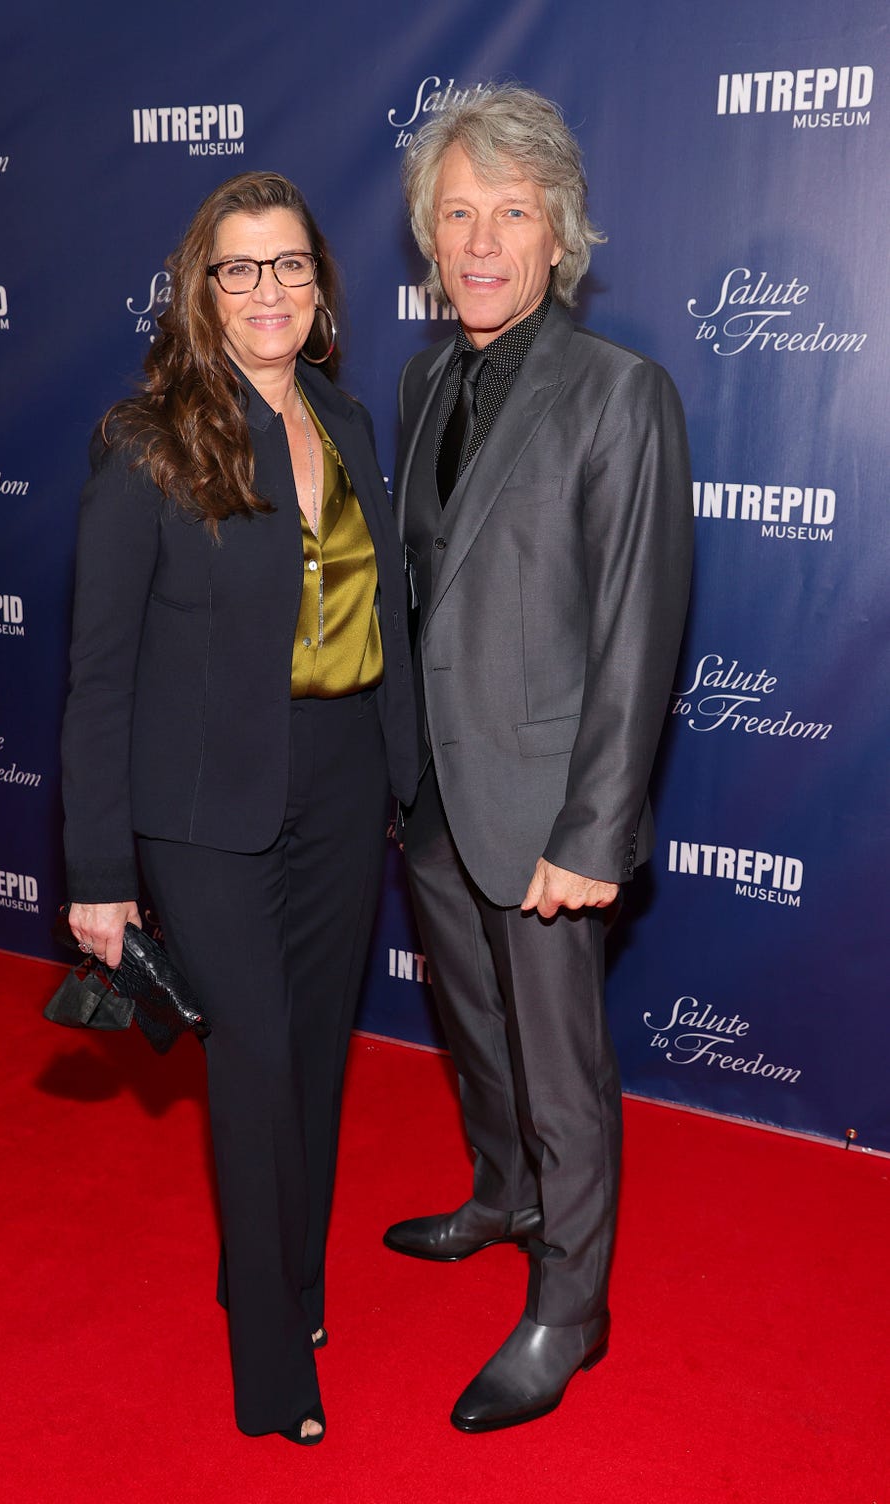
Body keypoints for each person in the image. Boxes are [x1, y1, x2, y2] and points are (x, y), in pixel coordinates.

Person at [61, 172, 418, 1445]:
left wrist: (405, 771)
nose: (267, 290)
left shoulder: (348, 420)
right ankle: (271, 1366)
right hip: (202, 809)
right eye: (239, 268)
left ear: (320, 287)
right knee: (254, 1065)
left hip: (338, 782)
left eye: (288, 266)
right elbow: (99, 671)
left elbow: (385, 617)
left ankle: (290, 1283)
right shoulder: (148, 443)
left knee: (316, 1062)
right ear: (201, 294)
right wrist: (99, 871)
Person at [384, 86, 693, 1432]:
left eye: (511, 212)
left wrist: (594, 828)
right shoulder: (423, 375)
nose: (482, 241)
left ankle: (573, 1302)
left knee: (565, 1064)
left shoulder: (623, 394)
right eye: (457, 215)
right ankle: (503, 1192)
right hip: (438, 790)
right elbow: (425, 590)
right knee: (472, 1026)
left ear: (559, 236)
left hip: (550, 802)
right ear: (428, 236)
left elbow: (639, 630)